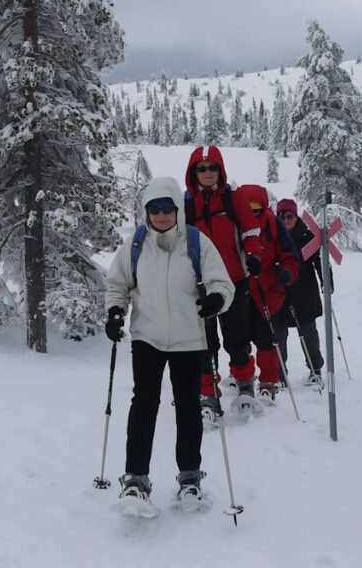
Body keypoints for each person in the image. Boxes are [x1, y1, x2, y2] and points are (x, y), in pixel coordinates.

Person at [104, 176, 234, 505]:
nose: (161, 215)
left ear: (178, 210)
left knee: (189, 409)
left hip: (190, 339)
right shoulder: (134, 244)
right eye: (154, 209)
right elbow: (117, 284)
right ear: (146, 211)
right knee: (144, 405)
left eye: (167, 208)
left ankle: (190, 477)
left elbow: (223, 283)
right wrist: (115, 312)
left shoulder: (196, 242)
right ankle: (136, 479)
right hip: (146, 336)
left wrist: (217, 300)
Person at [183, 146, 265, 417]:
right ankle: (208, 392)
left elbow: (250, 230)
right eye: (201, 168)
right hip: (200, 285)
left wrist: (253, 254)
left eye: (212, 167)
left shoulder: (233, 197)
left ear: (220, 169)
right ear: (194, 172)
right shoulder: (185, 202)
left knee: (237, 339)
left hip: (234, 281)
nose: (207, 173)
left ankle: (244, 387)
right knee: (203, 342)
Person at [232, 185, 300, 401]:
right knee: (238, 339)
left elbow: (290, 255)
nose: (252, 215)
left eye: (257, 210)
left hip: (267, 292)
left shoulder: (273, 224)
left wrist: (287, 273)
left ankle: (269, 381)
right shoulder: (232, 222)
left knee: (266, 340)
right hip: (239, 292)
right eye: (247, 210)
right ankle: (242, 377)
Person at [275, 198, 325, 387]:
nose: (286, 220)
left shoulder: (307, 236)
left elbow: (319, 260)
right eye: (282, 216)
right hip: (280, 293)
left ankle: (315, 369)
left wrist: (325, 280)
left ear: (296, 217)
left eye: (289, 216)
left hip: (305, 293)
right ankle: (279, 374)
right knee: (279, 336)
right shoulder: (273, 237)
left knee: (308, 333)